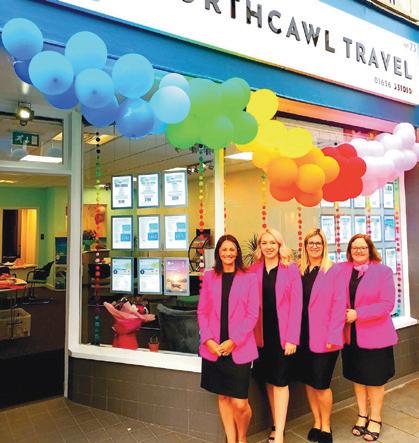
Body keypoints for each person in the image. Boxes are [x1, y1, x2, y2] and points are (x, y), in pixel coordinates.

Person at [198, 234, 259, 443]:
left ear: (237, 252)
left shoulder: (249, 278)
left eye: (232, 249)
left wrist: (234, 341)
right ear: (218, 253)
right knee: (223, 396)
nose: (228, 253)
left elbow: (252, 314)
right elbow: (202, 312)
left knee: (240, 403)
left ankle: (242, 438)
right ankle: (231, 440)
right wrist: (208, 340)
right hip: (214, 348)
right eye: (224, 249)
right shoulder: (209, 277)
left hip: (239, 347)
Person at [339, 234, 397, 442]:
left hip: (375, 337)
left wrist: (358, 314)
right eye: (354, 248)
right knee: (358, 377)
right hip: (351, 336)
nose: (358, 251)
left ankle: (375, 418)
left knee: (374, 379)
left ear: (370, 249)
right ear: (349, 251)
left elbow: (387, 304)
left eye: (363, 247)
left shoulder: (383, 272)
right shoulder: (342, 270)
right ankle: (362, 415)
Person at [250, 228, 303, 443]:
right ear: (260, 246)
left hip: (282, 336)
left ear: (280, 245)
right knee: (269, 382)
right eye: (264, 243)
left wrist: (292, 338)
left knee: (280, 383)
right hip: (261, 336)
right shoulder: (253, 269)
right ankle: (275, 424)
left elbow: (297, 306)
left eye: (273, 243)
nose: (269, 247)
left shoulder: (290, 269)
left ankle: (280, 432)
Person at [296, 228, 346, 443]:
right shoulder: (299, 270)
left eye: (318, 243)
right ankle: (316, 421)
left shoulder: (334, 271)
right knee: (309, 381)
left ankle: (326, 426)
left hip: (325, 337)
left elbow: (339, 305)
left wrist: (333, 336)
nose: (314, 246)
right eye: (311, 243)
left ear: (324, 246)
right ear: (305, 246)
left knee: (321, 384)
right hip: (302, 336)